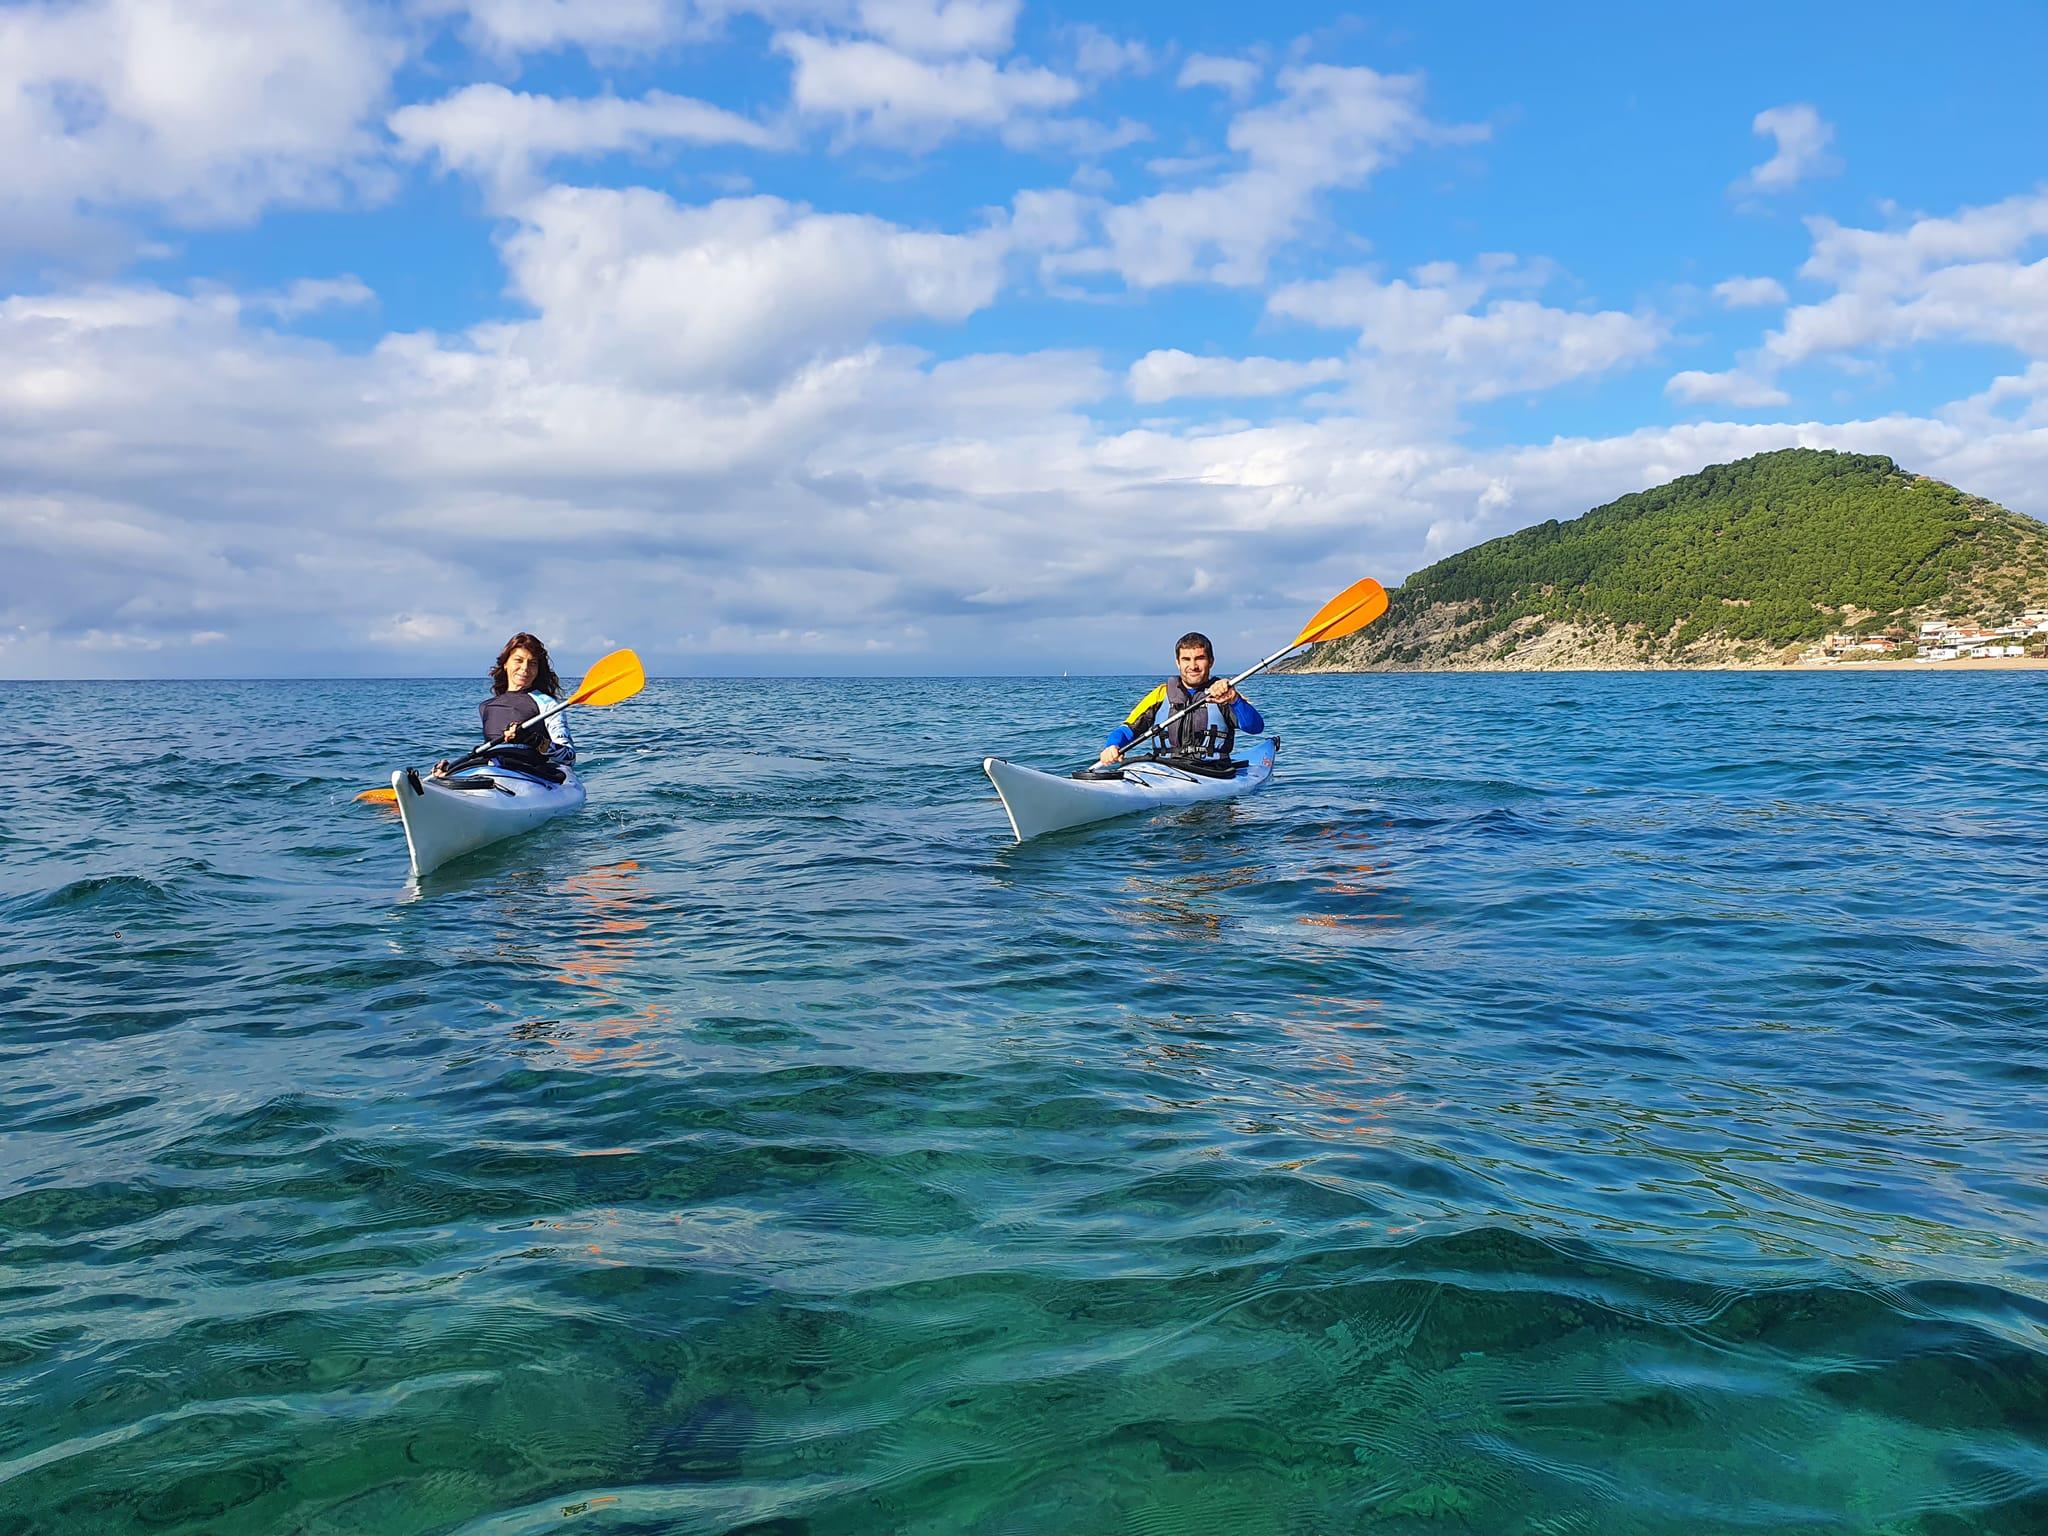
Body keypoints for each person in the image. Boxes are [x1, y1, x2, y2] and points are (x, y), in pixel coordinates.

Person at [1098, 631, 1264, 767]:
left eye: (1200, 658)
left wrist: (1234, 699)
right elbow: (1127, 729)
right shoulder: (1160, 694)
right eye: (1186, 659)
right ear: (1177, 662)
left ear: (1211, 661)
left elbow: (1255, 727)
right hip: (1164, 768)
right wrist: (1112, 746)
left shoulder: (1223, 693)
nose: (1193, 666)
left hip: (1212, 771)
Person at [435, 632, 576, 777]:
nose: (525, 668)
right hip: (493, 770)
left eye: (532, 663)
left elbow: (569, 758)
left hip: (530, 774)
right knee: (443, 774)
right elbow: (487, 751)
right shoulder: (487, 707)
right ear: (505, 663)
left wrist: (533, 740)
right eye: (518, 660)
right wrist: (453, 768)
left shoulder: (547, 704)